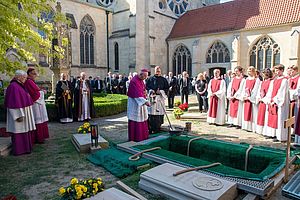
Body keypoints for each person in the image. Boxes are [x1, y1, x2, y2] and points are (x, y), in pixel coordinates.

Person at [5, 70, 36, 155]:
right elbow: (13, 102)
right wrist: (18, 115)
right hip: (19, 114)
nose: (25, 79)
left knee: (24, 131)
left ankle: (26, 148)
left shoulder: (20, 85)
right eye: (24, 77)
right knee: (19, 131)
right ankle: (20, 150)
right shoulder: (13, 87)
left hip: (24, 112)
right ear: (19, 77)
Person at [264, 64, 289, 142]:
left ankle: (280, 136)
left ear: (282, 70)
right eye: (275, 70)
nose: (276, 72)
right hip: (272, 102)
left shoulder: (285, 80)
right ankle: (272, 134)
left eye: (278, 70)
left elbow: (281, 92)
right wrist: (269, 99)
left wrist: (275, 100)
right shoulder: (274, 80)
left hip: (280, 103)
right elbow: (270, 91)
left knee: (279, 118)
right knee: (272, 118)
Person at [24, 68, 49, 143]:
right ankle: (39, 137)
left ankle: (41, 136)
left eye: (35, 73)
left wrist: (40, 91)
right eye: (33, 73)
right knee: (38, 120)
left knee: (40, 119)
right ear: (29, 74)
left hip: (38, 104)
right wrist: (42, 92)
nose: (35, 75)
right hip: (36, 104)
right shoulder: (29, 81)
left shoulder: (31, 81)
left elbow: (36, 90)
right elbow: (34, 94)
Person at [127, 69, 150, 142]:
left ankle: (143, 136)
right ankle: (136, 137)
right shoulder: (134, 81)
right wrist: (145, 102)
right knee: (136, 119)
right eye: (145, 76)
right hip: (135, 104)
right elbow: (136, 95)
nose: (146, 78)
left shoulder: (141, 80)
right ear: (141, 75)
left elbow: (142, 90)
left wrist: (145, 93)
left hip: (141, 103)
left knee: (142, 118)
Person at [146, 66, 169, 134]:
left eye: (159, 71)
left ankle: (158, 127)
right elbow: (146, 87)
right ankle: (150, 128)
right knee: (152, 113)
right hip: (152, 98)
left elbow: (167, 88)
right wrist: (151, 90)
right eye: (156, 70)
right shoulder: (150, 79)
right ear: (155, 71)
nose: (158, 72)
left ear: (160, 71)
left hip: (160, 99)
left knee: (159, 113)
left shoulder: (164, 79)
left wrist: (161, 91)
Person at [241, 66, 261, 132]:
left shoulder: (257, 80)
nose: (249, 72)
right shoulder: (246, 79)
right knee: (246, 112)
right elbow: (244, 88)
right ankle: (246, 126)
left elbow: (256, 90)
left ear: (253, 71)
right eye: (248, 71)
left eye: (250, 70)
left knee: (253, 113)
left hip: (251, 99)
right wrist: (244, 96)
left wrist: (250, 97)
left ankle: (252, 127)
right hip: (246, 98)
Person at [256, 68, 273, 135]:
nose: (263, 75)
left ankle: (265, 131)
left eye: (264, 73)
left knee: (265, 116)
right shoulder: (262, 82)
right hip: (261, 100)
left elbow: (270, 92)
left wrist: (264, 99)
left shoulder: (271, 82)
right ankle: (260, 130)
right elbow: (259, 91)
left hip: (266, 101)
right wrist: (259, 97)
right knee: (261, 115)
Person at [287, 65, 300, 144]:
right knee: (291, 117)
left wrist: (291, 95)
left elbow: (297, 90)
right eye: (290, 71)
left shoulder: (298, 78)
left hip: (296, 100)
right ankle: (292, 133)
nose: (290, 72)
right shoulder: (289, 79)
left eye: (292, 71)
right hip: (291, 100)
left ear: (296, 70)